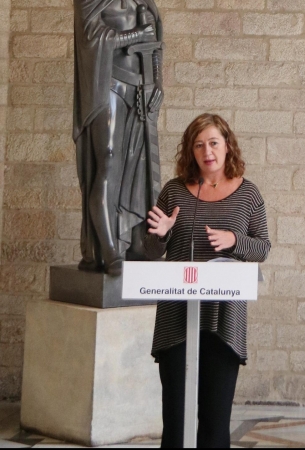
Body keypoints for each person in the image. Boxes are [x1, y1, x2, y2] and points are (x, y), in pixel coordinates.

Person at [144, 114, 270, 448]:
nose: (207, 151)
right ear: (190, 151)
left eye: (213, 142)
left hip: (224, 316)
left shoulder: (248, 194)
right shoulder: (174, 191)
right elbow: (150, 249)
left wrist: (233, 240)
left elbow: (263, 247)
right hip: (177, 316)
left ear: (227, 146)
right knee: (176, 419)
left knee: (214, 423)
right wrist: (160, 235)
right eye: (198, 145)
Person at [74, 0, 165, 275]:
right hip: (107, 85)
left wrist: (158, 83)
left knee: (136, 165)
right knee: (109, 162)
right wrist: (137, 35)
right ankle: (108, 249)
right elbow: (93, 37)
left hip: (141, 87)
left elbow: (156, 45)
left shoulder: (145, 1)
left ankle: (136, 242)